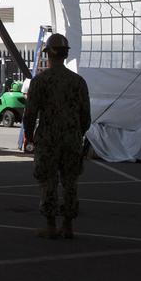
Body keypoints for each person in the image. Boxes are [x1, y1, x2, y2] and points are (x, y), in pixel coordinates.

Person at [23, 33, 91, 240]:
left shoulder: (40, 81)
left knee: (48, 182)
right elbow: (86, 117)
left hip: (48, 139)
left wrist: (29, 136)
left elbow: (30, 114)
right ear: (65, 54)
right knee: (70, 182)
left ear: (49, 55)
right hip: (72, 139)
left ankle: (51, 225)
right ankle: (68, 226)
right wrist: (77, 133)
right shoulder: (78, 82)